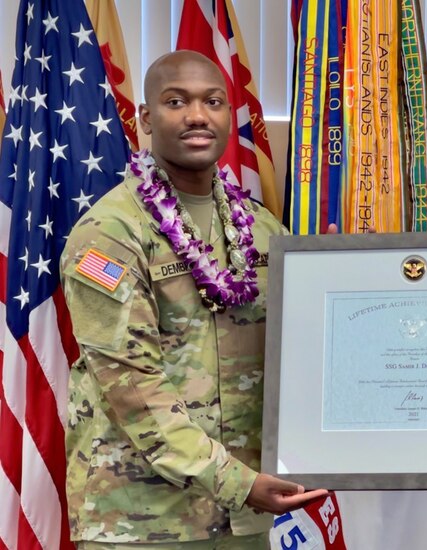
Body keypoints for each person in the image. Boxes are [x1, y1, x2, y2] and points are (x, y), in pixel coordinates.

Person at [60, 50, 326, 548]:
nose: (198, 115)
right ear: (145, 118)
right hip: (143, 519)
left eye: (213, 101)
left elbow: (301, 352)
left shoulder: (263, 229)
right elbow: (131, 385)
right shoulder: (110, 234)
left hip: (247, 516)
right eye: (176, 101)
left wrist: (337, 284)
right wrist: (238, 483)